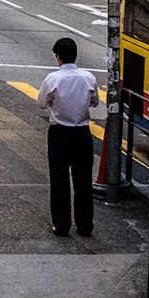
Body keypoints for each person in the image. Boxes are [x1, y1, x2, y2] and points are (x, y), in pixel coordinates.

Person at [37, 37, 99, 237]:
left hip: (59, 132)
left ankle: (61, 224)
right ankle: (85, 224)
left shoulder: (53, 79)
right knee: (83, 179)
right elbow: (95, 102)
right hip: (82, 132)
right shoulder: (88, 78)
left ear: (58, 57)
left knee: (59, 178)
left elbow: (41, 102)